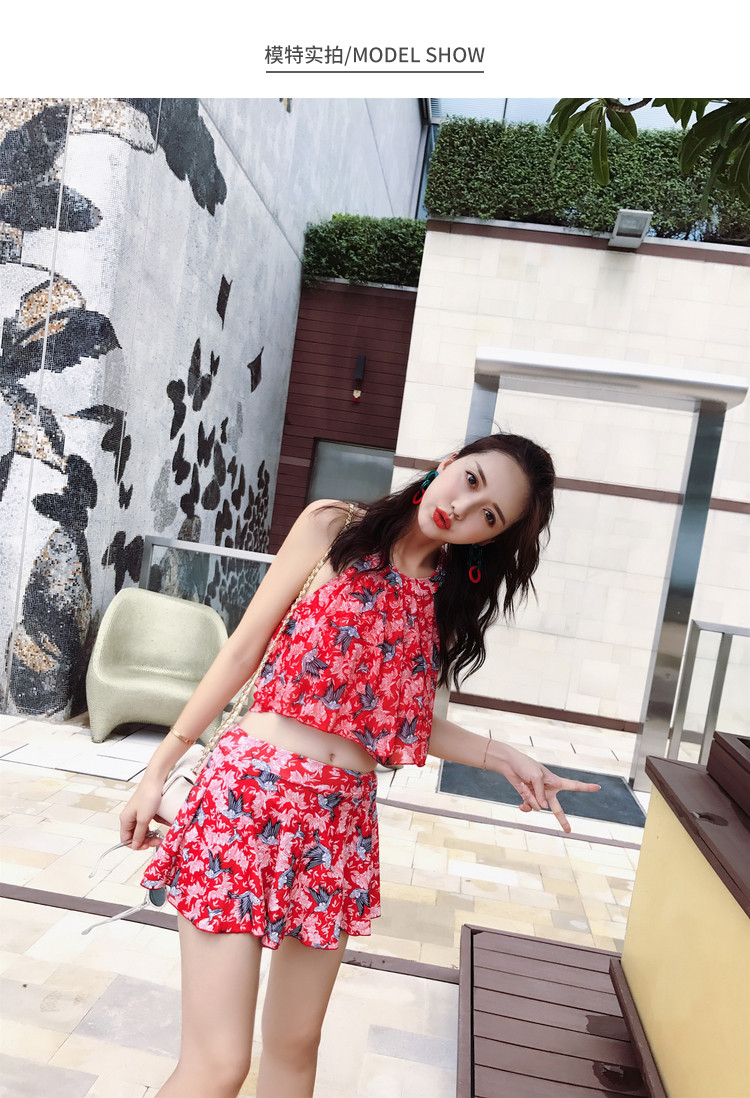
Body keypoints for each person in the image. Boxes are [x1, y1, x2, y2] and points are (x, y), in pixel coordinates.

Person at [120, 432, 600, 1098]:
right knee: (220, 1064)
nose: (463, 508)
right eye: (471, 480)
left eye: (488, 515)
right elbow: (242, 652)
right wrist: (156, 772)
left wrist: (506, 758)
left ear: (490, 538)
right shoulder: (332, 528)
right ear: (448, 464)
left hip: (338, 827)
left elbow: (402, 718)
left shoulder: (444, 602)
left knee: (295, 1047)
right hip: (245, 799)